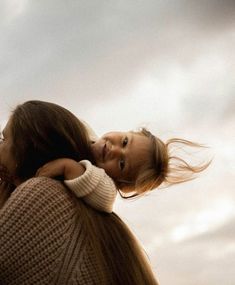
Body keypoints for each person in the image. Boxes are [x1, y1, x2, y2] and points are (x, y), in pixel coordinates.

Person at [0, 100, 159, 284]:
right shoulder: (83, 133)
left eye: (122, 164)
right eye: (124, 141)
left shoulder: (94, 180)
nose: (114, 150)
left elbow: (106, 196)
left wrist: (70, 168)